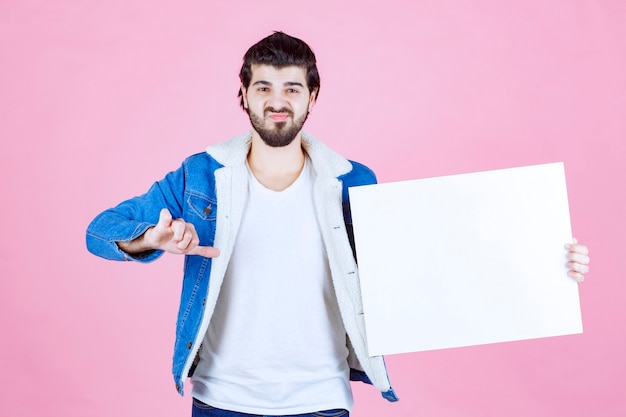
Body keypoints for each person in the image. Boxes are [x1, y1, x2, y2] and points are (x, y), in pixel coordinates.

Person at [85, 32, 590, 417]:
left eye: (291, 88)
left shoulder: (354, 182)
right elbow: (100, 231)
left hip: (321, 399)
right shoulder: (199, 177)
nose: (276, 100)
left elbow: (437, 262)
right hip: (221, 399)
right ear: (242, 95)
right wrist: (151, 238)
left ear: (312, 96)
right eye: (262, 86)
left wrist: (546, 260)